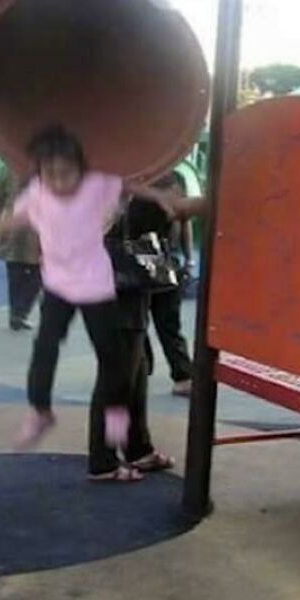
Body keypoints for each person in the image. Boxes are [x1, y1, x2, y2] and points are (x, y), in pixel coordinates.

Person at [0, 123, 172, 482]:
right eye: (51, 175)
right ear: (41, 174)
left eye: (67, 174)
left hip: (95, 287)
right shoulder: (37, 194)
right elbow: (12, 220)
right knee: (45, 348)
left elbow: (127, 185)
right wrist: (0, 225)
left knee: (115, 362)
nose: (59, 182)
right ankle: (40, 412)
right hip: (58, 286)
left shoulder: (95, 186)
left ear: (81, 170)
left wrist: (163, 198)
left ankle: (117, 428)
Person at [88, 196, 176, 478]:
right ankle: (105, 458)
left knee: (134, 379)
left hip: (120, 296)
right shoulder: (126, 192)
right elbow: (157, 216)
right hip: (116, 297)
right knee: (117, 384)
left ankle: (137, 447)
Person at [148, 171, 195, 396]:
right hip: (148, 257)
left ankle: (182, 374)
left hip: (166, 259)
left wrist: (189, 258)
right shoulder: (139, 182)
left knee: (167, 321)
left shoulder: (172, 177)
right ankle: (180, 374)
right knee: (145, 321)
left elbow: (184, 222)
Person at [0, 164, 42, 331]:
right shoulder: (41, 166)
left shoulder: (6, 168)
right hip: (34, 227)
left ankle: (16, 314)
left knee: (15, 275)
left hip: (12, 225)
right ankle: (19, 312)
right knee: (38, 273)